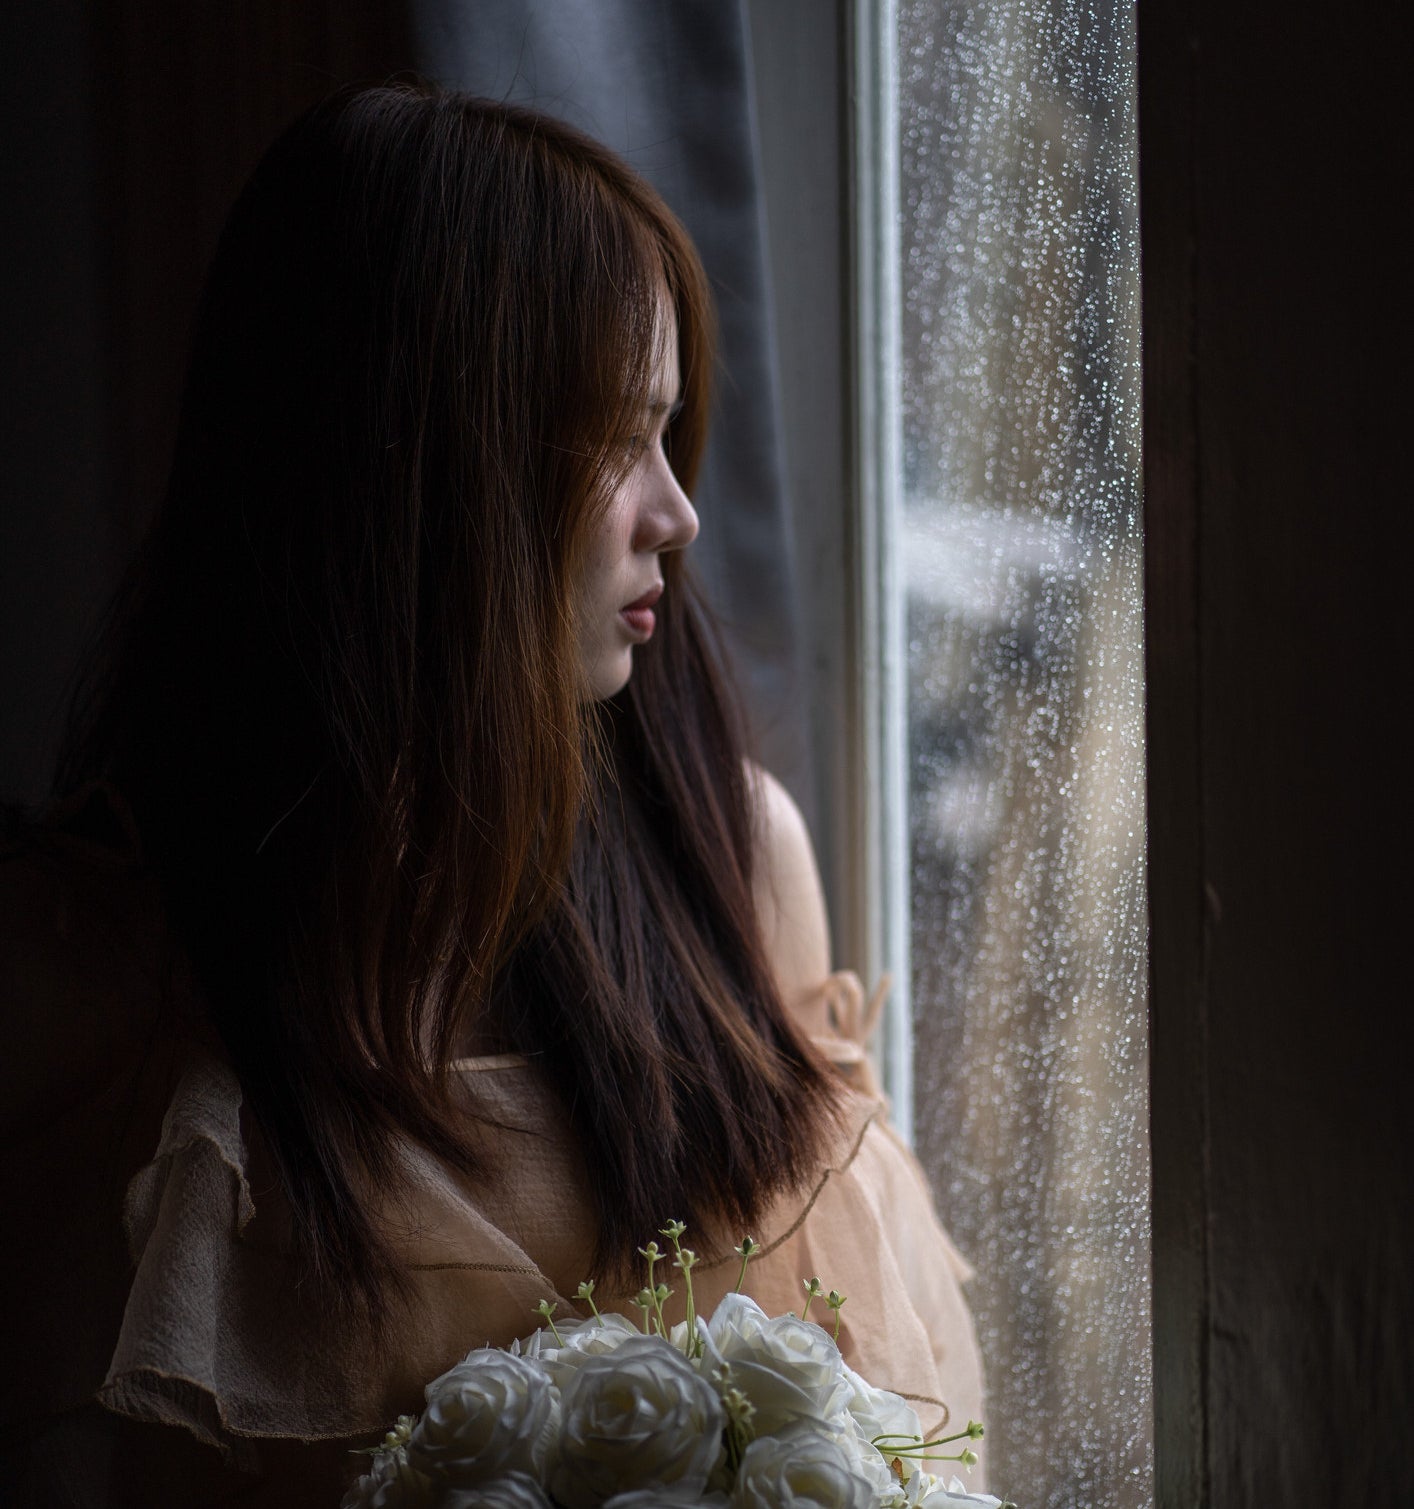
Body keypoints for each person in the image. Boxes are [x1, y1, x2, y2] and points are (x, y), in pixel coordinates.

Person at [0, 83, 983, 1505]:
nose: (677, 511)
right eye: (613, 441)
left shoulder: (729, 867)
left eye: (672, 432)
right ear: (427, 469)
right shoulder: (79, 969)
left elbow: (897, 1432)